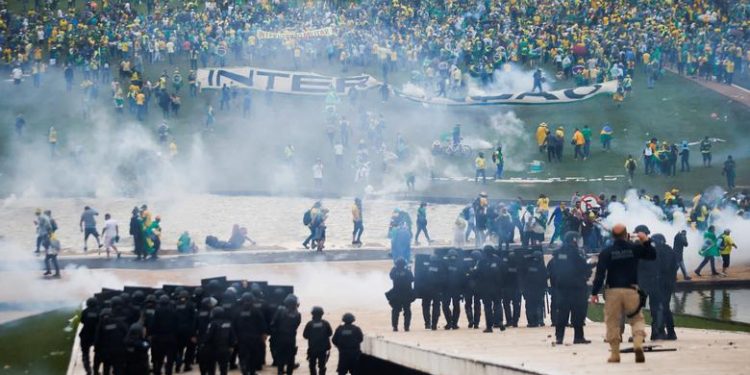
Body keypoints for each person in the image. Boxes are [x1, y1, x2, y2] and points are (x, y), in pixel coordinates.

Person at [590, 224, 656, 363]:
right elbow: (652, 255)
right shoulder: (635, 248)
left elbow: (600, 275)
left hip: (612, 290)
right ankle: (638, 344)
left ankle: (615, 354)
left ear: (613, 236)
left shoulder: (606, 252)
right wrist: (645, 240)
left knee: (612, 322)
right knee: (637, 319)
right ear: (627, 235)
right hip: (631, 289)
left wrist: (594, 293)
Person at [548, 232, 592, 344]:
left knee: (562, 313)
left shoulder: (557, 253)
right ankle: (578, 337)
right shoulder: (577, 253)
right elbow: (584, 267)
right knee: (578, 313)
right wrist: (591, 266)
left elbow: (553, 269)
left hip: (562, 288)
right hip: (577, 287)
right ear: (573, 240)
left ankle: (559, 337)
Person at [235, 293, 267, 375]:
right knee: (253, 356)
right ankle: (252, 372)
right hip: (254, 338)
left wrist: (234, 337)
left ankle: (244, 371)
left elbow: (233, 325)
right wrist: (263, 334)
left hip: (241, 338)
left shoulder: (238, 311)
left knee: (242, 356)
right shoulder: (256, 311)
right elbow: (262, 324)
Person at [654, 234, 678, 340]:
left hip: (663, 283)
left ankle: (665, 332)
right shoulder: (669, 250)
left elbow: (664, 267)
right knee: (664, 307)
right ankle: (668, 332)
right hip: (668, 283)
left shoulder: (663, 251)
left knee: (662, 307)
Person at [270, 294, 301, 375]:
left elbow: (273, 323)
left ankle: (280, 371)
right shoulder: (298, 314)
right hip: (291, 339)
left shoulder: (280, 310)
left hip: (280, 337)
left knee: (280, 356)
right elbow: (296, 325)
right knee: (291, 357)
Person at [202, 306, 236, 375]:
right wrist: (231, 346)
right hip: (224, 348)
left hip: (212, 348)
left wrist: (203, 343)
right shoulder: (228, 323)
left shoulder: (212, 323)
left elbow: (208, 336)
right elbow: (232, 336)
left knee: (211, 368)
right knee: (224, 367)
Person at [302, 306, 333, 375]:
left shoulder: (309, 324)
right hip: (323, 348)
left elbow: (305, 336)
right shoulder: (326, 323)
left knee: (312, 365)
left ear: (312, 313)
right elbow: (330, 333)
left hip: (312, 348)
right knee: (322, 365)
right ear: (322, 314)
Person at [522, 250, 547, 328]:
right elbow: (545, 276)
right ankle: (540, 320)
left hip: (529, 289)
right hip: (539, 289)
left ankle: (531, 322)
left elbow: (524, 277)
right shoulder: (541, 265)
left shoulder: (527, 264)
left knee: (530, 305)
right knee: (539, 305)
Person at [388, 257, 414, 331]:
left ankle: (395, 327)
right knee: (407, 311)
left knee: (395, 311)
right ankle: (406, 327)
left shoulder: (394, 271)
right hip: (406, 294)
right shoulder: (407, 271)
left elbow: (391, 276)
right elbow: (412, 279)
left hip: (397, 294)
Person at [442, 249, 464, 330]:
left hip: (453, 289)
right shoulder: (446, 264)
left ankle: (452, 323)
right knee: (450, 306)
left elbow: (462, 278)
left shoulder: (446, 263)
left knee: (453, 306)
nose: (453, 257)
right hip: (449, 289)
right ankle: (452, 323)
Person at [421, 254, 444, 330]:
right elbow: (443, 279)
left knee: (425, 307)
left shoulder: (425, 267)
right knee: (436, 306)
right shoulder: (440, 267)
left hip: (426, 290)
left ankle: (427, 323)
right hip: (436, 290)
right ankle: (434, 324)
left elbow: (420, 278)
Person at [79, 298, 100, 375]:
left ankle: (88, 370)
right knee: (98, 354)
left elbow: (82, 321)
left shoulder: (85, 312)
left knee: (85, 354)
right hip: (96, 335)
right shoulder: (99, 311)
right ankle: (96, 371)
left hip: (85, 335)